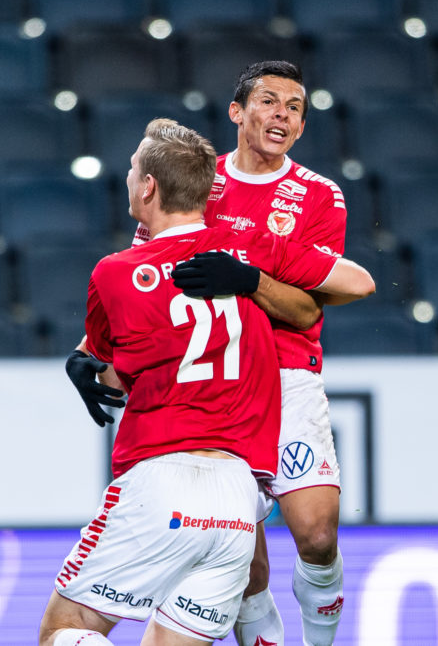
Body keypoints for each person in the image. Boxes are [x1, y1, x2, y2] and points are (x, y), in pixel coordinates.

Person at [41, 119, 375, 646]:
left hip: (158, 479)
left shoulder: (114, 272)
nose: (129, 177)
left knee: (66, 629)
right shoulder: (249, 244)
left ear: (148, 185)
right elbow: (355, 282)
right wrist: (254, 280)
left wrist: (83, 362)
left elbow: (113, 371)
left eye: (132, 170)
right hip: (237, 499)